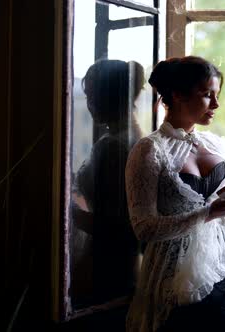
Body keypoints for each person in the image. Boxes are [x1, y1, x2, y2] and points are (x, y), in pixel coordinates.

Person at [124, 56, 225, 332]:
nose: (216, 104)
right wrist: (208, 213)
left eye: (217, 95)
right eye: (206, 95)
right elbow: (144, 228)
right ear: (177, 95)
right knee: (214, 319)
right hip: (175, 268)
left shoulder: (219, 146)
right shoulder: (149, 151)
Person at [71, 59, 145, 306]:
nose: (89, 104)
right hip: (126, 260)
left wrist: (68, 213)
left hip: (107, 263)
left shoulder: (113, 146)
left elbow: (114, 227)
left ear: (107, 97)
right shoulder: (134, 136)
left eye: (92, 95)